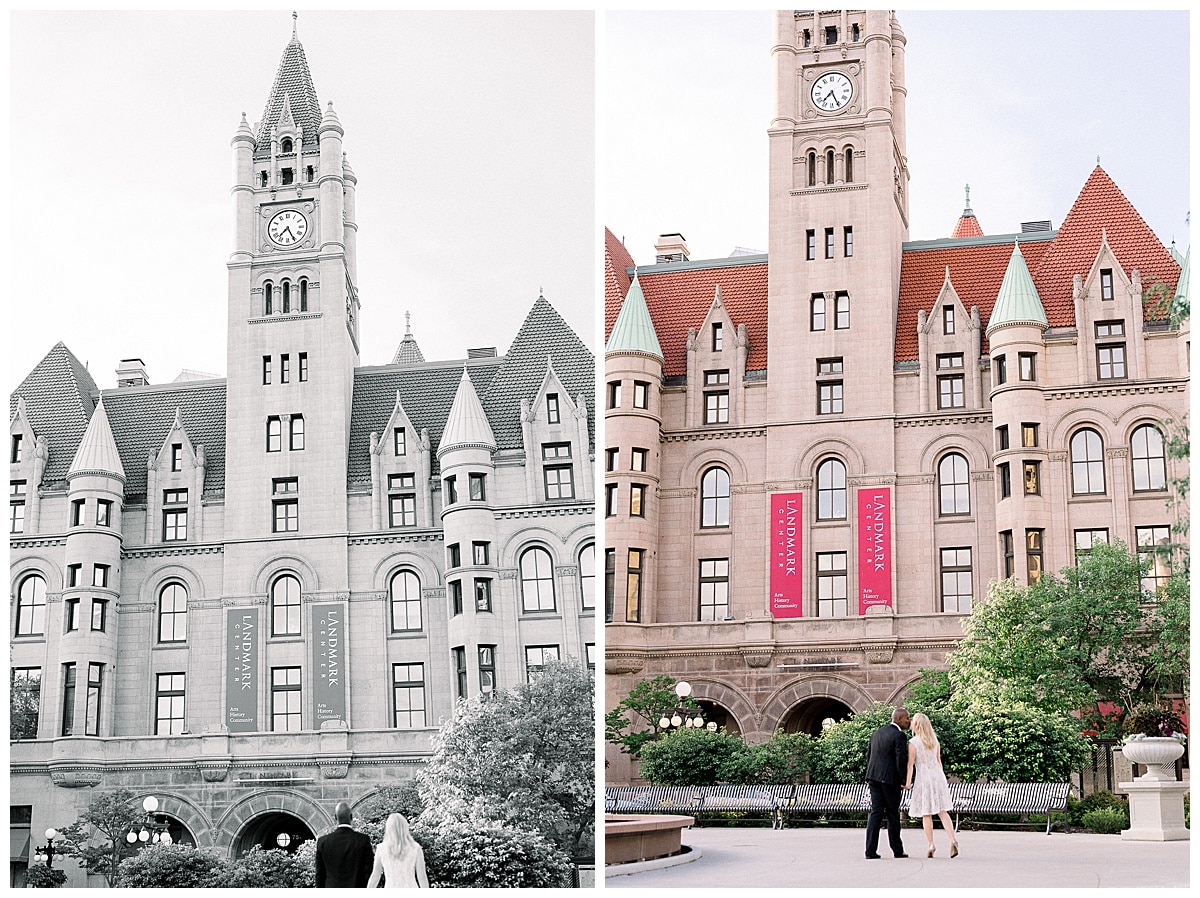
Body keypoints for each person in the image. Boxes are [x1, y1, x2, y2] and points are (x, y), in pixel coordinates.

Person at [904, 712, 960, 858]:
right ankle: (953, 839)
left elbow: (910, 765)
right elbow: (938, 761)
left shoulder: (913, 743)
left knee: (926, 813)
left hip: (924, 777)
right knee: (942, 811)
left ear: (916, 725)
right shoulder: (934, 741)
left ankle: (931, 844)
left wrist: (908, 783)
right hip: (938, 776)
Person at [864, 707, 910, 859]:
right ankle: (897, 850)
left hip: (873, 778)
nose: (908, 721)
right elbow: (900, 760)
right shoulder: (899, 736)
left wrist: (870, 776)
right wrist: (904, 780)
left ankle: (870, 851)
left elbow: (869, 755)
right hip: (890, 780)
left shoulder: (876, 733)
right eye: (906, 718)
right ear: (898, 719)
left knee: (875, 813)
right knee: (892, 814)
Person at [315, 801, 374, 888]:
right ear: (351, 817)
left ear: (335, 817)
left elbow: (319, 875)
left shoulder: (323, 842)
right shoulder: (363, 840)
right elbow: (368, 871)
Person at [367, 813, 430, 889]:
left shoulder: (381, 848)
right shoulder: (415, 848)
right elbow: (422, 877)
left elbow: (375, 876)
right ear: (405, 827)